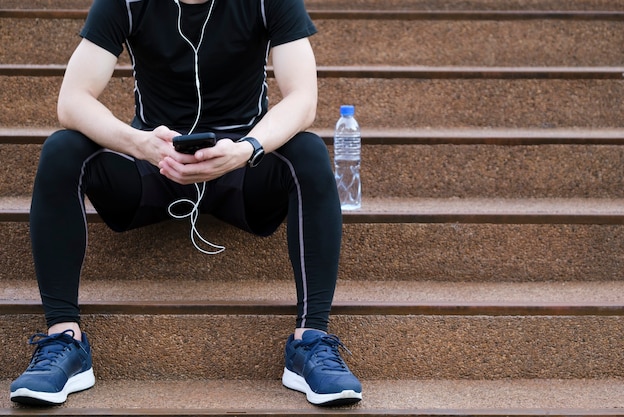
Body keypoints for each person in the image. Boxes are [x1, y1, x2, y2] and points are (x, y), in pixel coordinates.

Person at [9, 0, 362, 407]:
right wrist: (138, 144)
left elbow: (303, 99)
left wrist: (247, 148)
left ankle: (311, 340)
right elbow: (71, 101)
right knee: (61, 149)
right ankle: (63, 341)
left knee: (309, 152)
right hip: (155, 168)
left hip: (240, 172)